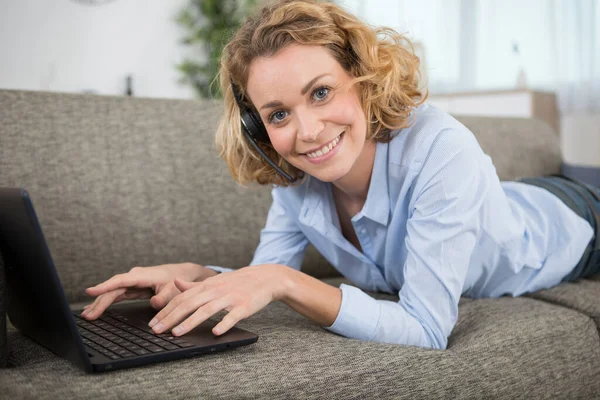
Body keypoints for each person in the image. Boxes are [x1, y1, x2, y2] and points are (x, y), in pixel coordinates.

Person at [81, 0, 599, 349]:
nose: (306, 132)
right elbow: (265, 274)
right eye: (278, 114)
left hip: (568, 222)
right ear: (258, 128)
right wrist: (198, 275)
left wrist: (287, 282)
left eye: (321, 92)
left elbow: (425, 329)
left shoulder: (441, 148)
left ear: (362, 79)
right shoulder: (295, 180)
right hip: (502, 201)